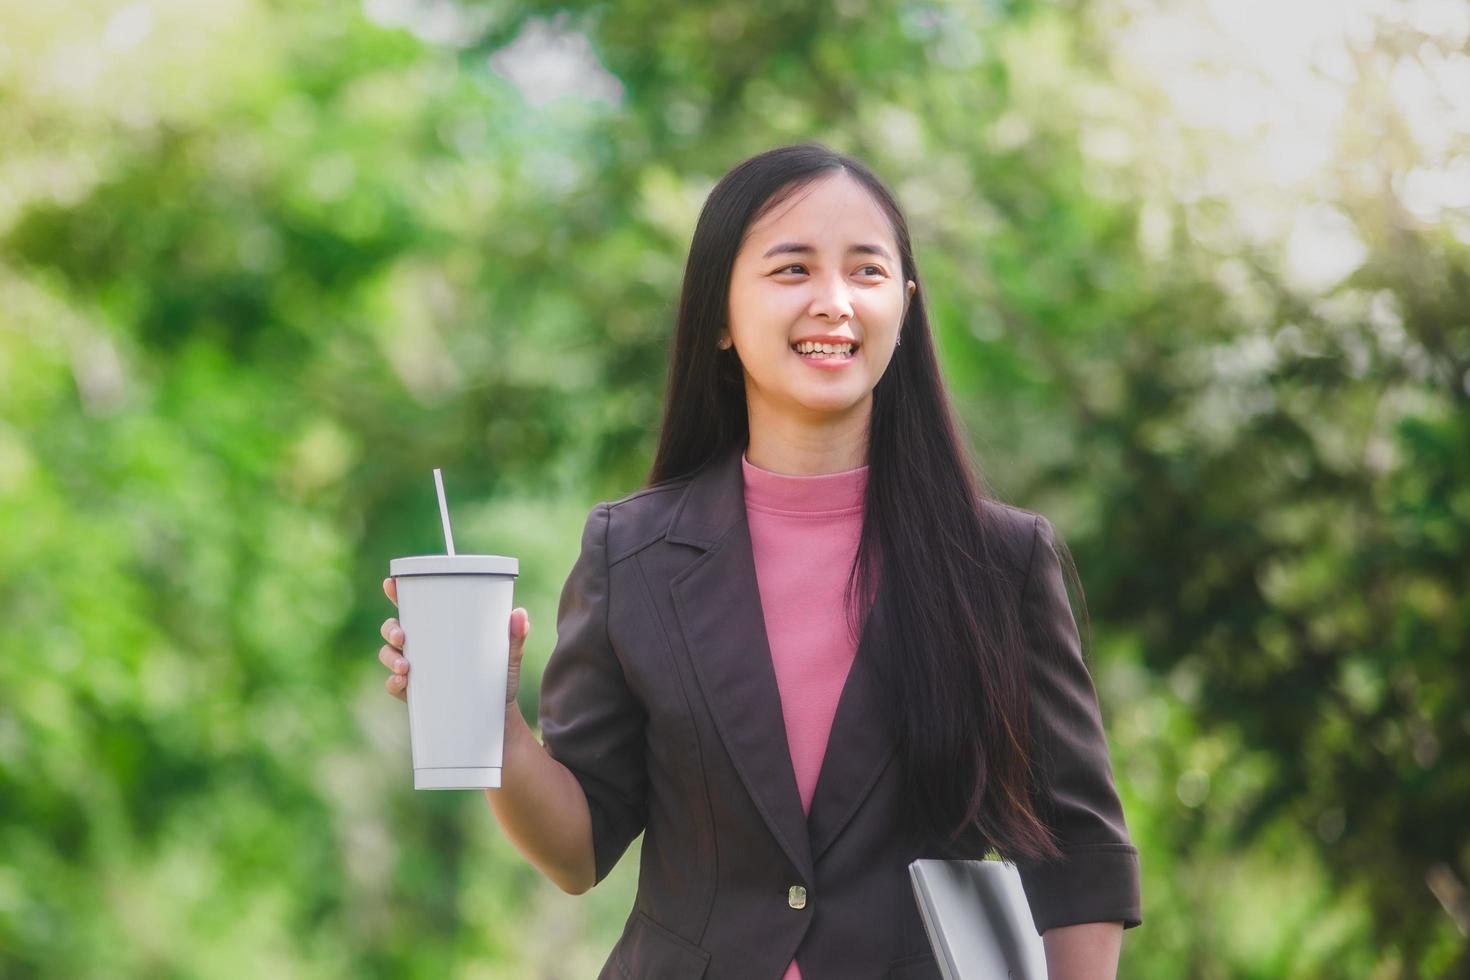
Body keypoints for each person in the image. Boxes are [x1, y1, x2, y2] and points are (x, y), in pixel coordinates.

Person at [377, 143, 1142, 979]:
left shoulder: (998, 564)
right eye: (792, 270)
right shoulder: (629, 553)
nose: (834, 302)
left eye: (867, 272)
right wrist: (491, 715)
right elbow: (576, 849)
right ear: (719, 315)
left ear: (907, 306)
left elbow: (1081, 854)